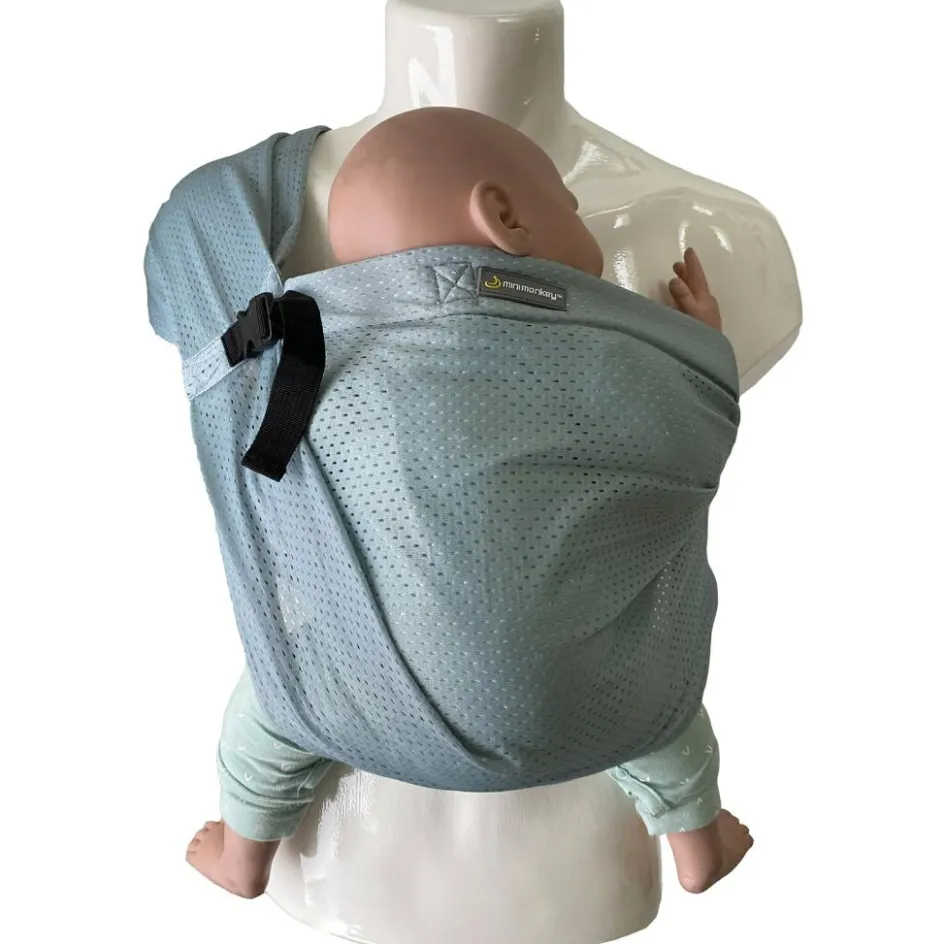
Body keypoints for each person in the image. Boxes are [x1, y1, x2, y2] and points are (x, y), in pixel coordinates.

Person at [186, 106, 751, 900]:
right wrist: (698, 349)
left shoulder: (323, 372)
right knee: (664, 711)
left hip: (362, 695)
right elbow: (695, 435)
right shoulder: (624, 363)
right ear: (508, 217)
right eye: (571, 202)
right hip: (587, 699)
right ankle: (697, 839)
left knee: (272, 706)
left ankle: (244, 853)